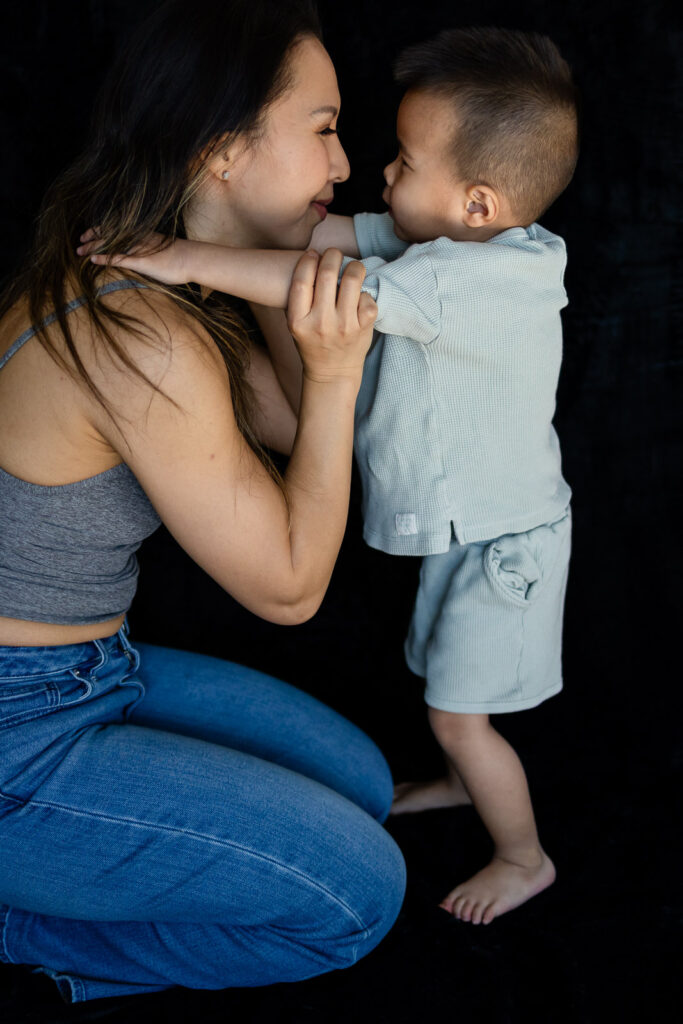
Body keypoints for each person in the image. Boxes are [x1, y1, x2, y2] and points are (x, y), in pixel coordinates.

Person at [90, 26, 579, 928]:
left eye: (403, 158)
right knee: (444, 695)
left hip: (501, 547)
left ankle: (523, 855)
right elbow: (332, 241)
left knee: (460, 716)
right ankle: (463, 781)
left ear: (476, 203)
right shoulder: (468, 242)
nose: (378, 174)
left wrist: (187, 260)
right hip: (471, 533)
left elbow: (319, 280)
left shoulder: (469, 284)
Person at [0, 0, 408, 1007]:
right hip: (19, 723)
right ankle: (28, 931)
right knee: (357, 895)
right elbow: (287, 590)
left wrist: (282, 270)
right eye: (321, 129)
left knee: (363, 784)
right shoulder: (145, 334)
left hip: (83, 673)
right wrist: (337, 373)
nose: (345, 165)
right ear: (223, 150)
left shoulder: (157, 274)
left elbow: (277, 424)